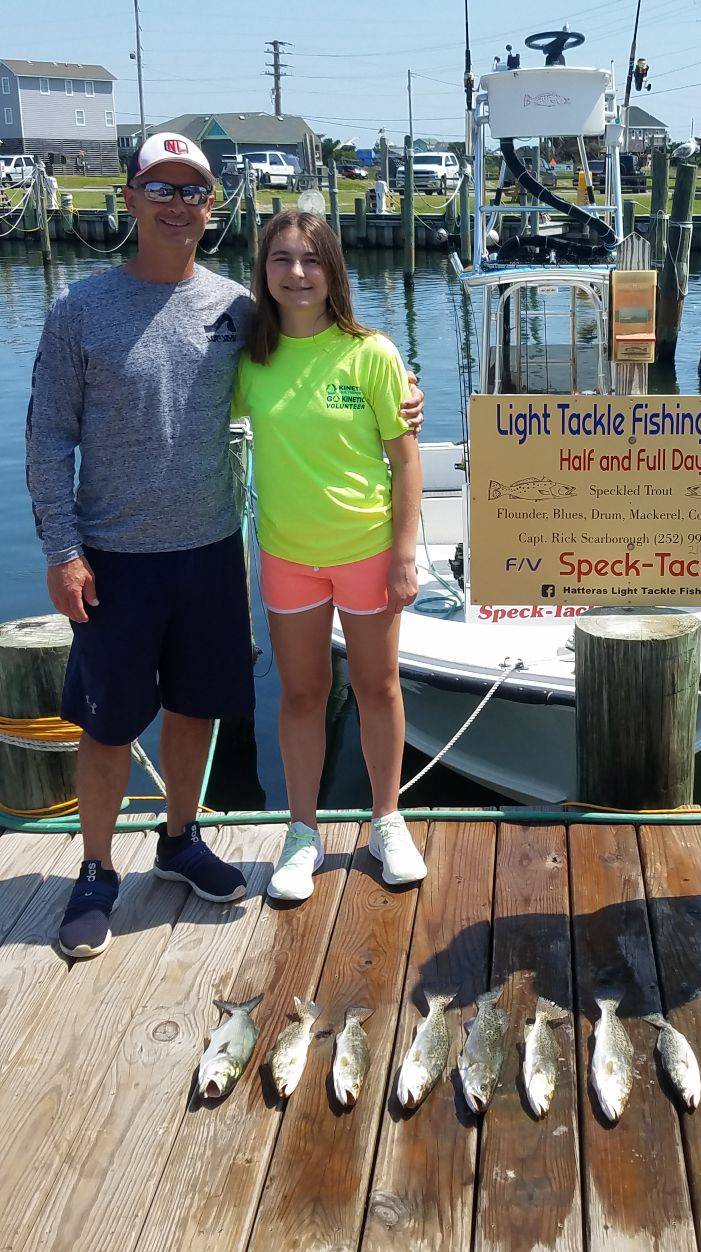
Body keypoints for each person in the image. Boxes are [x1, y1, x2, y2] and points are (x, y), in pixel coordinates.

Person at [24, 135, 424, 959]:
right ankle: (96, 870)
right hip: (114, 554)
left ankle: (180, 839)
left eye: (194, 190)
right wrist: (62, 549)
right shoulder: (78, 311)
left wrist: (403, 389)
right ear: (129, 198)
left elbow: (330, 351)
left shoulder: (236, 312)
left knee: (198, 705)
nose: (177, 203)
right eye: (160, 187)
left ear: (213, 209)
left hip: (213, 549)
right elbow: (44, 438)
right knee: (105, 725)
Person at [234, 210, 426, 902]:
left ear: (332, 271)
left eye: (311, 260)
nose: (296, 273)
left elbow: (405, 462)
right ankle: (301, 831)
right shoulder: (249, 358)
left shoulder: (370, 352)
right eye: (281, 259)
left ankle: (386, 820)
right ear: (264, 271)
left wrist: (404, 556)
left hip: (367, 550)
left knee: (378, 686)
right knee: (302, 693)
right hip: (288, 555)